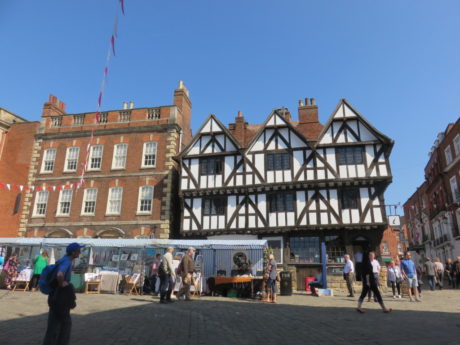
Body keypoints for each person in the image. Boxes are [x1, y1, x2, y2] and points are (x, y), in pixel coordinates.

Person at [42, 242, 84, 345]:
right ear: (74, 252)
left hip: (55, 295)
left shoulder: (63, 259)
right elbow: (60, 274)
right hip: (60, 297)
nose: (80, 253)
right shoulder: (67, 262)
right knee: (63, 325)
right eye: (79, 251)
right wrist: (62, 284)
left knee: (55, 324)